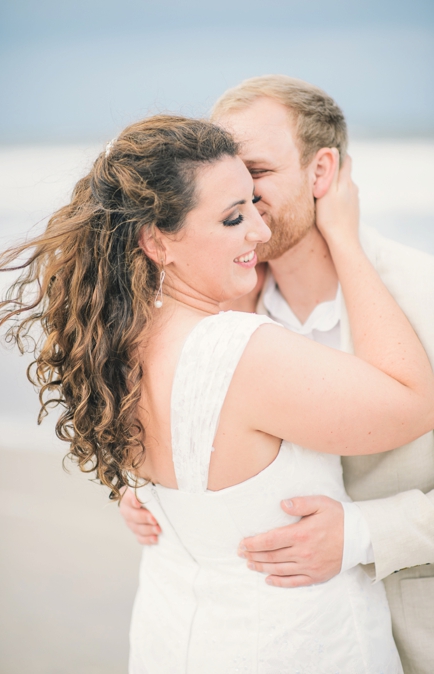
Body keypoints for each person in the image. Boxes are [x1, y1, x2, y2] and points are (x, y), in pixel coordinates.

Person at [0, 115, 434, 671]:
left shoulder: (116, 347)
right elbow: (413, 402)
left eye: (253, 202)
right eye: (231, 218)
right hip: (292, 646)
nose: (260, 232)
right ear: (156, 240)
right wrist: (345, 238)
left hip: (175, 635)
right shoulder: (243, 352)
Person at [119, 76, 434, 673]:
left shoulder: (425, 297)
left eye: (256, 171)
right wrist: (152, 489)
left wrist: (368, 531)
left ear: (321, 175)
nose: (240, 191)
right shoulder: (217, 309)